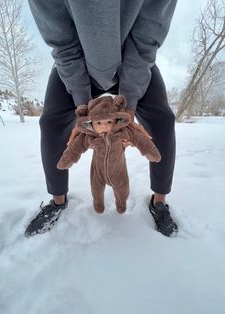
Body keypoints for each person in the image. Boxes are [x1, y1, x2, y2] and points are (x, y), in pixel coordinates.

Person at [25, 0, 178, 237]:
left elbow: (149, 30)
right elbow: (61, 38)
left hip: (133, 59)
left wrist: (129, 104)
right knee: (51, 123)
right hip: (76, 62)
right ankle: (57, 200)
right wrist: (83, 107)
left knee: (163, 120)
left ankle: (159, 201)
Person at [57, 95, 161, 214]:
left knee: (123, 191)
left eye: (109, 121)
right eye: (99, 122)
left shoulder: (122, 132)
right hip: (97, 172)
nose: (104, 126)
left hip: (119, 170)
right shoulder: (89, 136)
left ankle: (121, 204)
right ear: (91, 123)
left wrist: (149, 151)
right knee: (96, 191)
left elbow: (140, 139)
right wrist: (68, 160)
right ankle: (98, 204)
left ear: (116, 120)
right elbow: (75, 148)